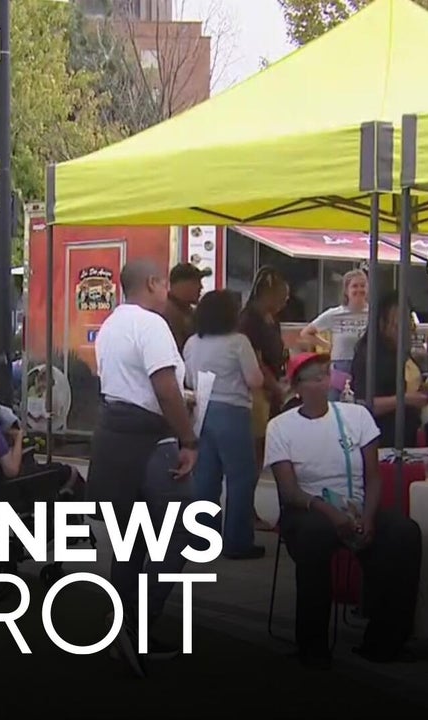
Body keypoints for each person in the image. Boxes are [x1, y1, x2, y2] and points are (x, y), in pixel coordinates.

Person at [266, 352, 422, 669]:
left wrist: (367, 516)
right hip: (309, 507)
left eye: (327, 374)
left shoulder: (356, 416)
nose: (325, 382)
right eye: (315, 378)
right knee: (313, 535)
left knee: (403, 533)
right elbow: (290, 491)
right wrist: (329, 512)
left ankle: (385, 641)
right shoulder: (280, 427)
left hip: (357, 504)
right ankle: (312, 646)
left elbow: (373, 476)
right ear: (299, 387)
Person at [87, 259, 200, 677]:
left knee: (131, 539)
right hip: (150, 437)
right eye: (165, 283)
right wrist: (189, 440)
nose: (167, 291)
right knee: (183, 529)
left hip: (114, 434)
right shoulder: (152, 324)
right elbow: (164, 388)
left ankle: (122, 626)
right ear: (153, 283)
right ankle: (138, 622)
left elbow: (128, 384)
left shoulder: (111, 325)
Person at [183, 289, 265, 560]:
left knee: (205, 478)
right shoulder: (238, 342)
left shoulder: (193, 342)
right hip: (233, 412)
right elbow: (255, 380)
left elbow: (189, 379)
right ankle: (237, 541)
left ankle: (203, 538)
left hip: (201, 412)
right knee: (241, 478)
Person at [240, 266, 290, 530]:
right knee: (254, 456)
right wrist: (275, 386)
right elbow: (255, 361)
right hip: (257, 394)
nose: (285, 302)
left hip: (271, 390)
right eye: (282, 296)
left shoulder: (271, 319)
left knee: (264, 453)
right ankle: (246, 510)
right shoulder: (250, 320)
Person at [350, 292, 428, 448]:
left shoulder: (400, 351)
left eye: (409, 319)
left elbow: (406, 384)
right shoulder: (369, 356)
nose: (408, 328)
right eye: (399, 322)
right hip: (383, 436)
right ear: (382, 323)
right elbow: (364, 403)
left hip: (408, 433)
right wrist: (404, 400)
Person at [299, 269, 368, 398]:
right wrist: (328, 345)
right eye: (354, 286)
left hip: (366, 365)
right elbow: (306, 333)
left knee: (362, 402)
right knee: (336, 402)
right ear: (346, 290)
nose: (359, 289)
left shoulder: (373, 314)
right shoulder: (334, 314)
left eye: (362, 286)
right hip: (341, 365)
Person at [162, 262, 211, 353]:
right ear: (182, 284)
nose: (201, 287)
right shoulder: (167, 312)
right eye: (196, 282)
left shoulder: (191, 312)